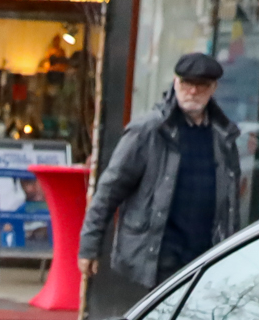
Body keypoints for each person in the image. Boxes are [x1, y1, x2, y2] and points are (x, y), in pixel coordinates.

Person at [78, 51, 242, 291]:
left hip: (206, 256)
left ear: (213, 88)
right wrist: (89, 247)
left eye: (201, 85)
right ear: (175, 82)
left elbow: (231, 203)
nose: (193, 91)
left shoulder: (223, 136)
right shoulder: (148, 130)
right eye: (186, 83)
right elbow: (109, 190)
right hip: (157, 255)